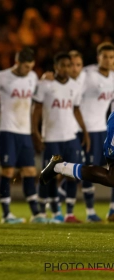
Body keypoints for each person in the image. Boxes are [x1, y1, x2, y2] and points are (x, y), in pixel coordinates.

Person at [0, 48, 44, 224]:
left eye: (31, 67)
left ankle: (36, 214)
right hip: (7, 130)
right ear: (17, 62)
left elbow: (36, 100)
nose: (28, 70)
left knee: (29, 171)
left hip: (25, 131)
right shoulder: (1, 77)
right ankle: (6, 215)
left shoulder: (33, 77)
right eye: (26, 67)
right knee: (7, 171)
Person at [32, 52, 89, 224]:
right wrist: (35, 131)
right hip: (51, 137)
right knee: (52, 174)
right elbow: (37, 110)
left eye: (69, 65)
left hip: (70, 136)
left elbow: (76, 109)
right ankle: (56, 211)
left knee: (73, 174)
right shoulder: (46, 85)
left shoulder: (75, 86)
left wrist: (85, 131)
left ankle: (69, 213)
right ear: (56, 66)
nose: (66, 69)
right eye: (63, 65)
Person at [74, 44, 114, 222]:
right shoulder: (88, 75)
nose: (109, 60)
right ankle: (90, 211)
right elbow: (73, 96)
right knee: (89, 168)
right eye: (105, 57)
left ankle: (112, 210)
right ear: (98, 57)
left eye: (112, 57)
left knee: (104, 170)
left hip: (103, 129)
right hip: (86, 128)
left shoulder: (113, 76)